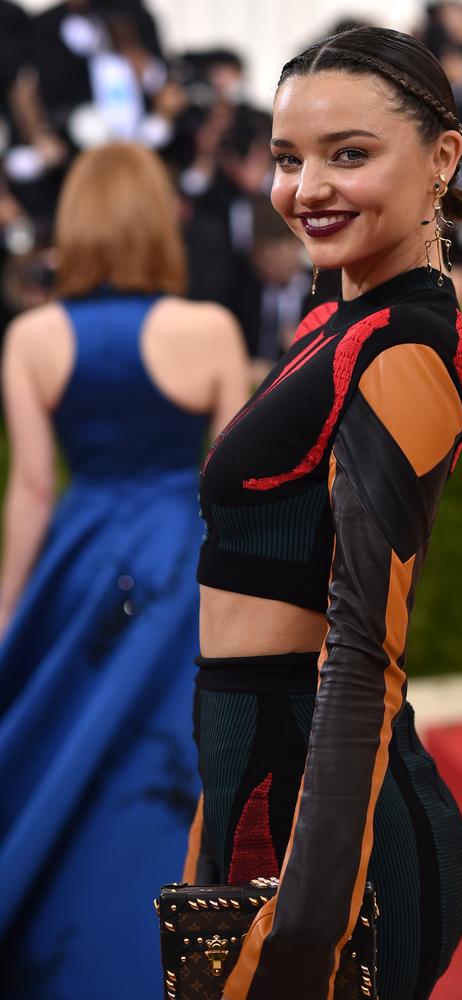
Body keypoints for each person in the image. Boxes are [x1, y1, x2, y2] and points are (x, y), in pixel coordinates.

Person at [185, 25, 462, 1000]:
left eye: (347, 154)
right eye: (285, 158)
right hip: (259, 788)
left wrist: (300, 939)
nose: (304, 187)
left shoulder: (403, 345)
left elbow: (359, 654)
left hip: (330, 844)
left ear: (441, 158)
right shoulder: (336, 313)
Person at [0, 141, 249, 1000]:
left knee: (66, 758)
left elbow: (32, 489)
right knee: (179, 766)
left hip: (84, 573)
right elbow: (237, 485)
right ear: (160, 221)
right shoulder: (212, 327)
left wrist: (6, 615)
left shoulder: (30, 337)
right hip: (187, 572)